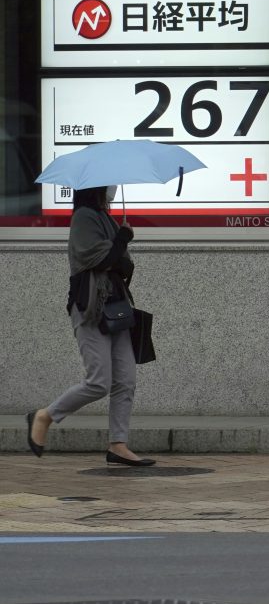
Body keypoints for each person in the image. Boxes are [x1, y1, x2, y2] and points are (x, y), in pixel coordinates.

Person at [27, 185, 155, 466]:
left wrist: (120, 242)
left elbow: (124, 266)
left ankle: (118, 445)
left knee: (126, 380)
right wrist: (121, 239)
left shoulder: (107, 218)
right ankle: (45, 415)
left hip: (117, 308)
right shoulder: (84, 217)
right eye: (108, 185)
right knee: (99, 382)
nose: (112, 190)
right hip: (91, 309)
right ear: (95, 188)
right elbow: (99, 258)